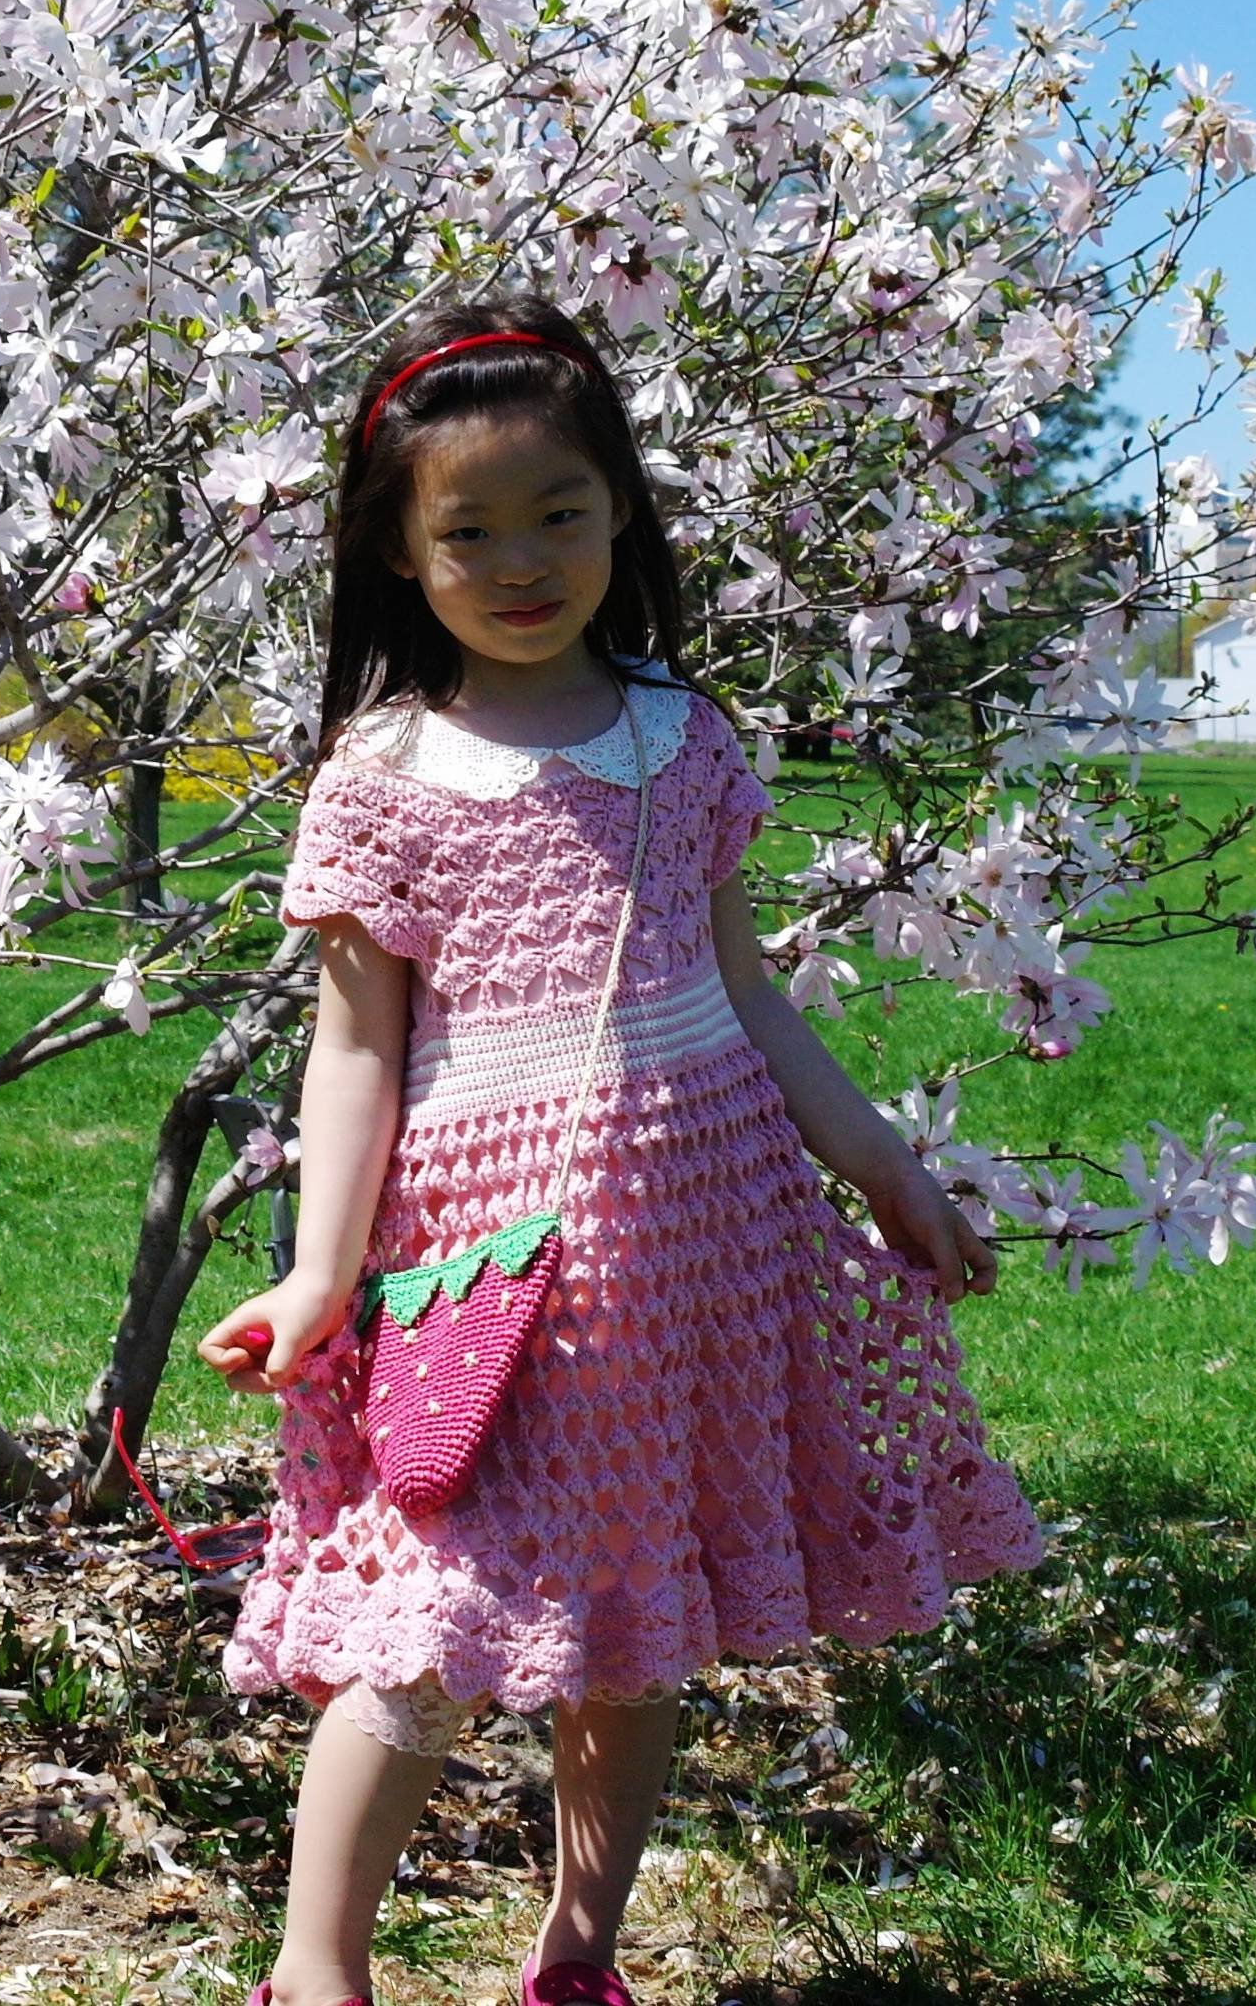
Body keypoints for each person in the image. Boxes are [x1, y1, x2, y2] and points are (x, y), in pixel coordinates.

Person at [198, 298, 1049, 2006]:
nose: (521, 561)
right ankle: (315, 1964)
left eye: (558, 516)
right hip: (500, 1277)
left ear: (619, 519)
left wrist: (881, 1169)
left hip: (704, 1251)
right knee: (430, 1626)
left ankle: (577, 1951)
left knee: (636, 1634)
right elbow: (356, 1045)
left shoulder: (682, 738)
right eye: (469, 531)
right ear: (398, 553)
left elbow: (749, 995)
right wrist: (315, 1268)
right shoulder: (386, 772)